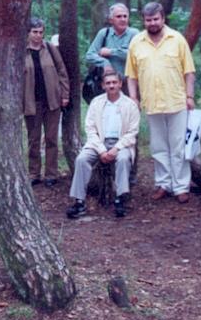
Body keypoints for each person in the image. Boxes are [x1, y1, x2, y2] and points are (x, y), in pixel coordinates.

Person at [125, 2, 196, 203]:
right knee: (158, 147)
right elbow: (131, 75)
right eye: (148, 20)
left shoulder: (177, 39)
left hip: (177, 102)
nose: (152, 23)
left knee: (178, 146)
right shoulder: (136, 42)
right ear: (144, 21)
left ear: (163, 19)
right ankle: (163, 184)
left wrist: (190, 97)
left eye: (156, 19)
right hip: (152, 103)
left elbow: (189, 72)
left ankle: (181, 186)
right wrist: (133, 98)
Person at [66, 69, 140, 219]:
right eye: (108, 83)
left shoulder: (130, 105)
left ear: (120, 84)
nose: (111, 86)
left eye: (114, 82)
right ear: (103, 85)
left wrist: (116, 149)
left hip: (121, 143)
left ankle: (120, 198)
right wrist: (101, 150)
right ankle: (79, 201)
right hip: (98, 143)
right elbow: (90, 128)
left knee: (123, 159)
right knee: (81, 159)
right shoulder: (96, 103)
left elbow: (132, 132)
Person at [23, 18, 70, 187]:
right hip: (31, 102)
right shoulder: (22, 52)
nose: (38, 36)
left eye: (41, 32)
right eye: (34, 32)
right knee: (33, 139)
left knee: (51, 139)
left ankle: (51, 173)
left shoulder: (49, 49)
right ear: (28, 33)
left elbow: (62, 71)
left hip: (52, 101)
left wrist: (65, 94)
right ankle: (34, 173)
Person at [84, 3, 139, 88]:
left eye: (125, 16)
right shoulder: (104, 33)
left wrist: (111, 52)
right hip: (109, 84)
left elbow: (135, 55)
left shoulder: (134, 34)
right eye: (119, 16)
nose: (123, 19)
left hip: (130, 83)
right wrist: (105, 63)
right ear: (111, 20)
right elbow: (90, 55)